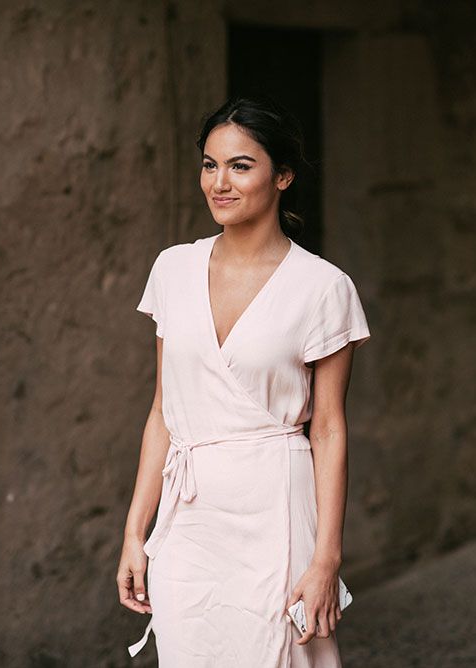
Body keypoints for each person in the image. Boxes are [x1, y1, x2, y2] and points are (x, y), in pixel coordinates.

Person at [116, 95, 371, 667]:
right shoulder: (172, 268)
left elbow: (328, 430)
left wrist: (326, 559)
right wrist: (137, 531)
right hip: (190, 517)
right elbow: (163, 410)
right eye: (210, 164)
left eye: (240, 165)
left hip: (275, 510)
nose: (219, 183)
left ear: (282, 176)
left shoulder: (323, 287)